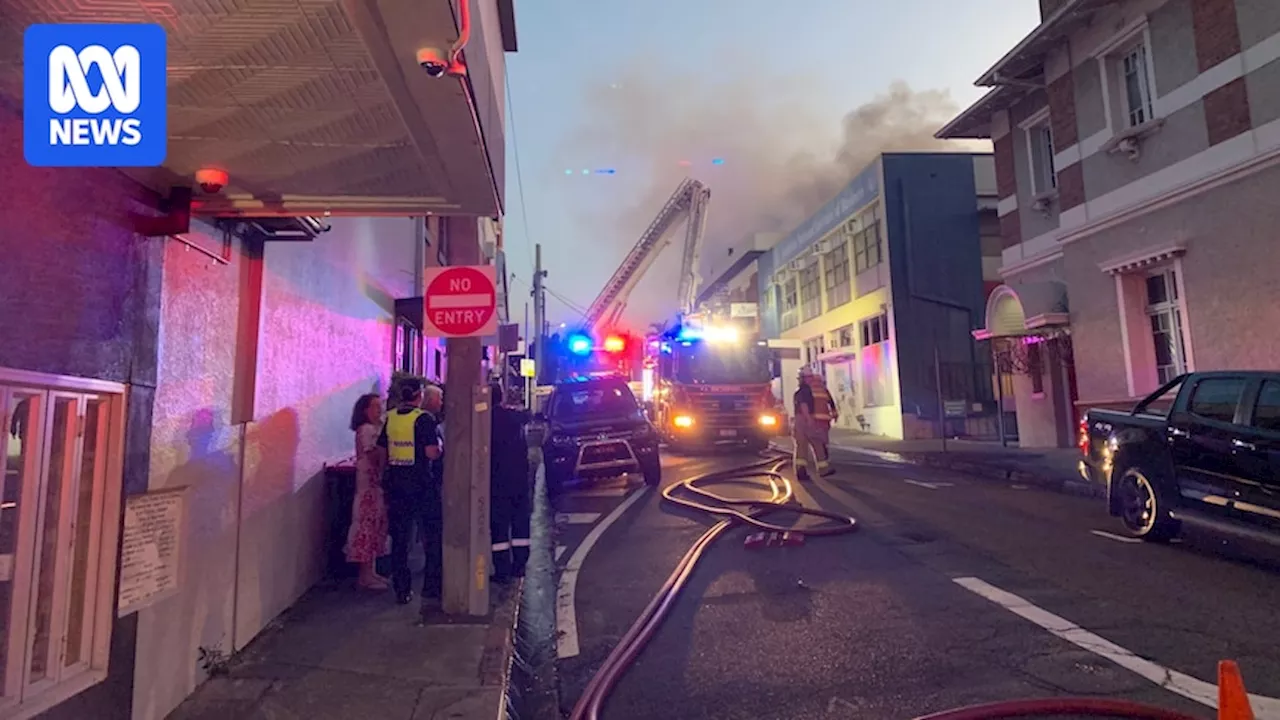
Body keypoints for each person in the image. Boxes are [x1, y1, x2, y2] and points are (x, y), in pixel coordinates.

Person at [378, 381, 444, 605]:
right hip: (422, 483)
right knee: (432, 535)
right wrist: (440, 448)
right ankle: (432, 587)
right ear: (419, 396)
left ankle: (402, 589)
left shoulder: (391, 417)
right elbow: (432, 453)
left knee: (400, 539)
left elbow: (381, 452)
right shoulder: (424, 419)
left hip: (397, 484)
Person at [346, 393, 390, 590]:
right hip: (368, 486)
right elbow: (373, 454)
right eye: (374, 406)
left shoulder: (375, 428)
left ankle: (371, 571)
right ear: (365, 410)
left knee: (375, 526)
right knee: (367, 526)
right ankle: (365, 575)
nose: (379, 409)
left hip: (375, 485)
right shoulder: (366, 430)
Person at [489, 383, 532, 582]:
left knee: (499, 528)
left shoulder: (484, 420)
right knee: (520, 524)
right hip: (519, 480)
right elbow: (527, 416)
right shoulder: (514, 417)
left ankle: (502, 570)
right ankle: (520, 566)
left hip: (496, 482)